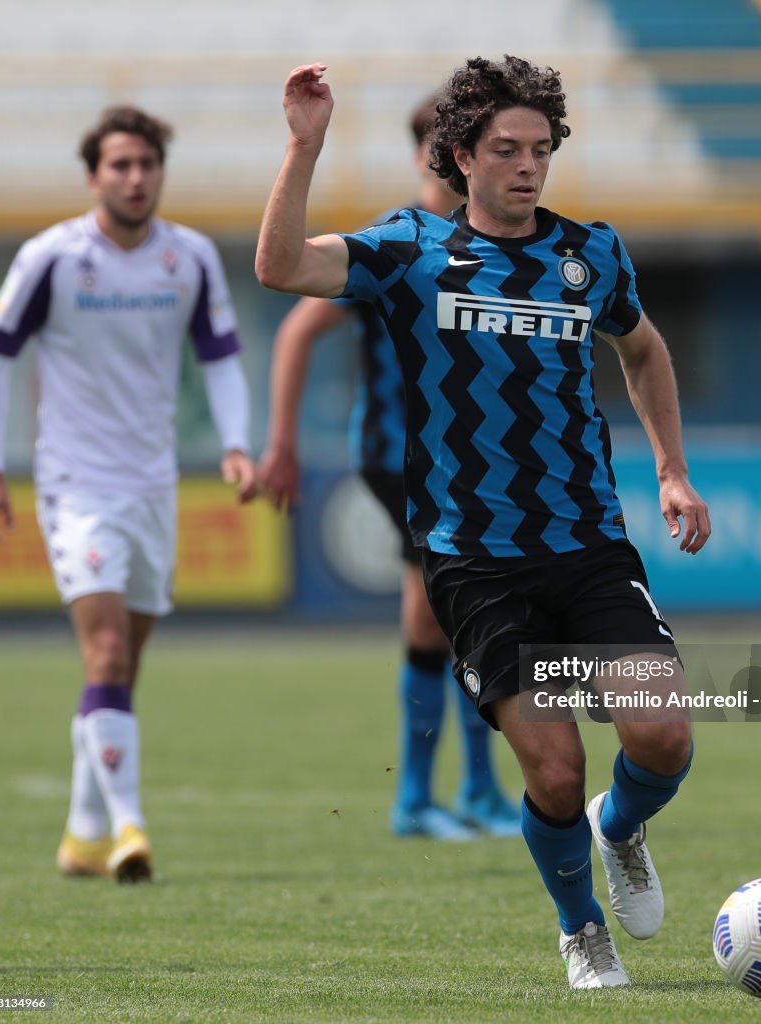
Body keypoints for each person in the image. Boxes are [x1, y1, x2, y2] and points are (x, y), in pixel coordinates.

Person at [255, 57, 710, 988]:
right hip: (474, 562)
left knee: (662, 737)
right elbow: (282, 268)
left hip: (588, 544)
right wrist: (304, 147)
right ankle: (581, 927)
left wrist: (672, 471)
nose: (528, 165)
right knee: (552, 769)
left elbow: (645, 349)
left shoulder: (594, 255)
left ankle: (617, 830)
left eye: (541, 148)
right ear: (460, 156)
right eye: (506, 148)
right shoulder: (409, 248)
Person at [0, 105, 256, 884]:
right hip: (74, 483)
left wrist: (236, 444)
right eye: (120, 166)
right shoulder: (52, 258)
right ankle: (130, 828)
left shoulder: (188, 259)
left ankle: (82, 829)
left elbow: (223, 357)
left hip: (154, 484)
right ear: (93, 176)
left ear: (160, 172)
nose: (135, 178)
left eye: (147, 164)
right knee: (103, 651)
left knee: (120, 666)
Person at [257, 96, 519, 841]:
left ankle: (468, 790)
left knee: (466, 616)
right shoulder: (397, 243)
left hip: (471, 464)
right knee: (446, 612)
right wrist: (281, 441)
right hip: (401, 457)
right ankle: (427, 795)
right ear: (423, 156)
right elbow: (298, 329)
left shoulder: (492, 243)